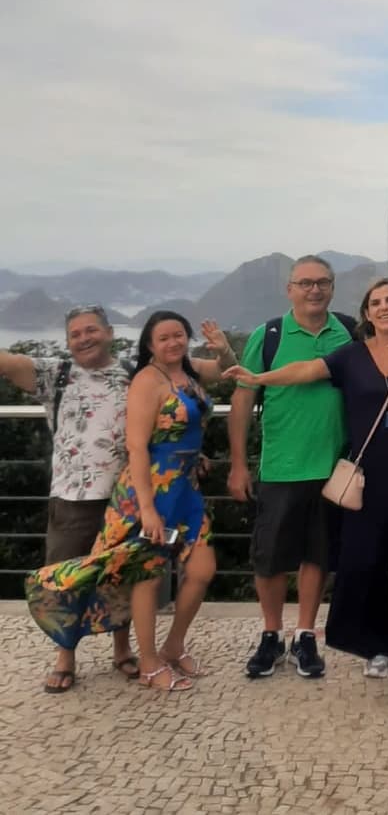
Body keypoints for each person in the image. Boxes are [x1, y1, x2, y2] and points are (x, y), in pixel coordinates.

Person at [226, 278, 388, 681]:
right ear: (367, 314)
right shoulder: (350, 356)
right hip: (366, 478)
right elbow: (304, 371)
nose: (384, 307)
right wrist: (259, 379)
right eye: (376, 303)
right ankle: (374, 646)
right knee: (367, 562)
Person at [26, 310, 236, 691]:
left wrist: (223, 350)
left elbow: (231, 373)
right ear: (150, 345)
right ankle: (150, 663)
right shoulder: (146, 380)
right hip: (151, 490)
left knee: (202, 570)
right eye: (163, 338)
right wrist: (147, 509)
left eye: (178, 335)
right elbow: (137, 448)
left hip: (185, 490)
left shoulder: (188, 373)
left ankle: (173, 646)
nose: (172, 343)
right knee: (147, 576)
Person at [229, 255, 355, 681]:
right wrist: (237, 464)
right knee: (269, 558)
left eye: (322, 282)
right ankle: (270, 634)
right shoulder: (269, 335)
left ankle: (304, 635)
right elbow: (243, 398)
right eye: (305, 283)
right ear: (290, 289)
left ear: (333, 287)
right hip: (280, 467)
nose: (313, 290)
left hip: (331, 466)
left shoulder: (348, 332)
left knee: (317, 555)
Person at [0, 304, 136, 692]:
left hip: (124, 497)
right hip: (71, 496)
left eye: (91, 330)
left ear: (109, 333)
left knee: (121, 573)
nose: (84, 339)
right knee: (63, 577)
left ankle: (122, 650)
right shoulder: (54, 373)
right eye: (75, 334)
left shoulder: (133, 373)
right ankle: (65, 658)